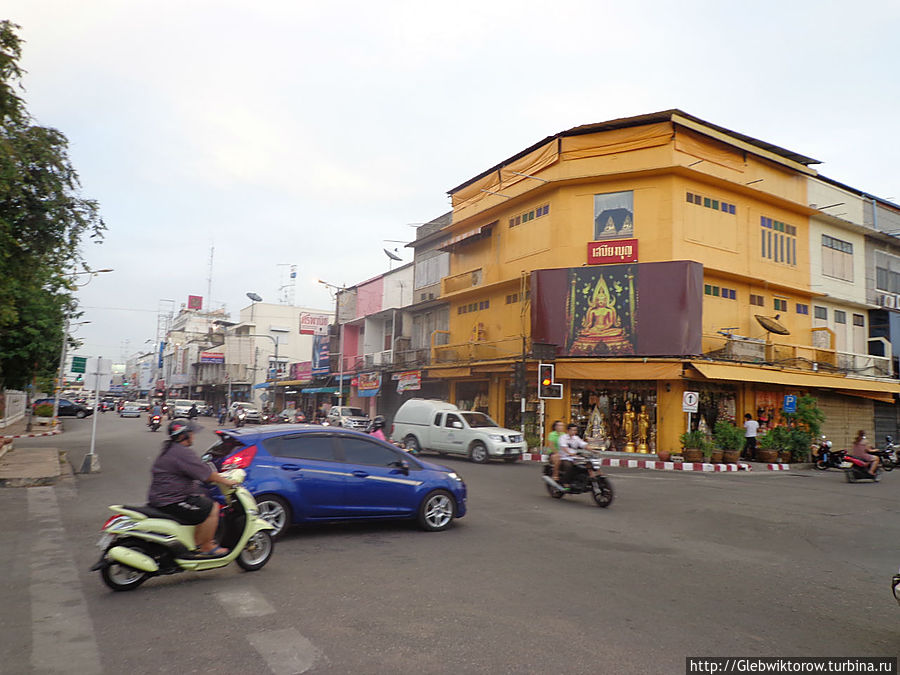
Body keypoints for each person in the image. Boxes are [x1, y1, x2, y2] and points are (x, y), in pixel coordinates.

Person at [147, 418, 238, 556]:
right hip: (171, 500)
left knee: (200, 498)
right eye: (191, 433)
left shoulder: (170, 448)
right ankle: (206, 546)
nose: (193, 436)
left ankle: (196, 542)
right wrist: (226, 481)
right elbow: (206, 474)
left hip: (162, 496)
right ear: (184, 435)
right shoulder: (182, 452)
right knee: (211, 507)